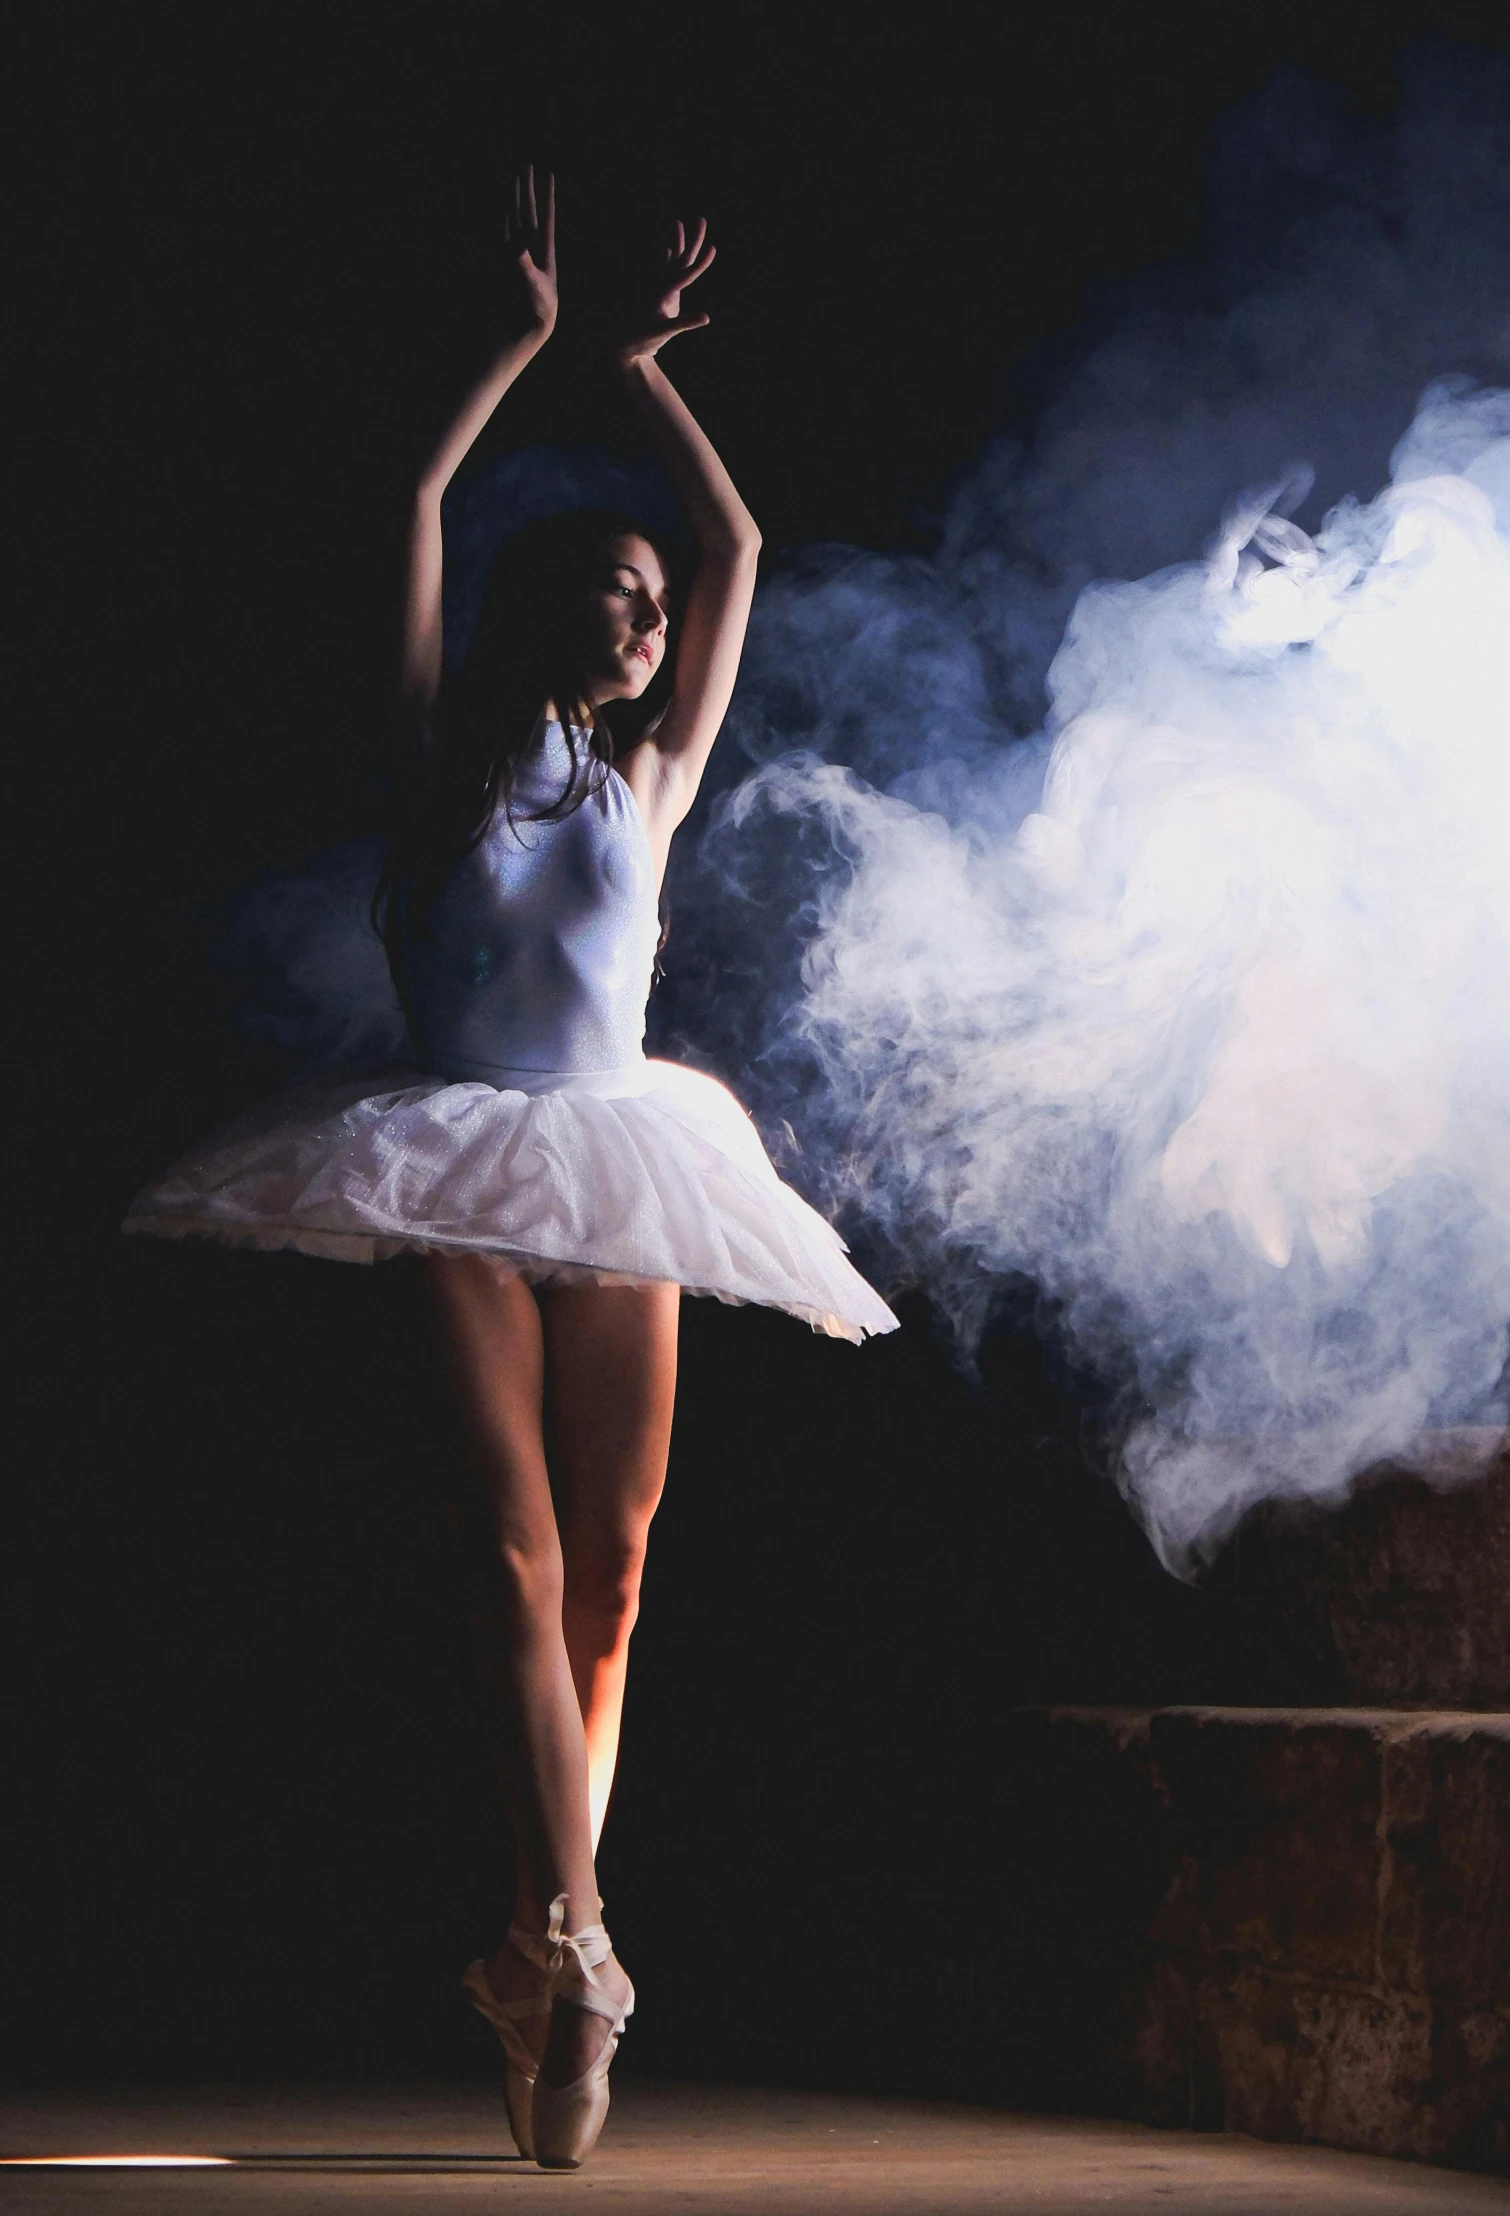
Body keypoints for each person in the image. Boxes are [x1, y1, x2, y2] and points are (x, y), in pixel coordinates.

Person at [124, 167, 897, 2169]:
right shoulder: (433, 752)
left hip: (624, 1151)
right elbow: (404, 510)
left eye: (657, 613)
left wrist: (646, 373)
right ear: (552, 605)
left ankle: (540, 1948)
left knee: (617, 1577)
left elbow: (738, 541)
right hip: (447, 1153)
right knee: (512, 1547)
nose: (649, 627)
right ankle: (585, 1943)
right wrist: (521, 353)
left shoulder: (656, 775)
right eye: (617, 599)